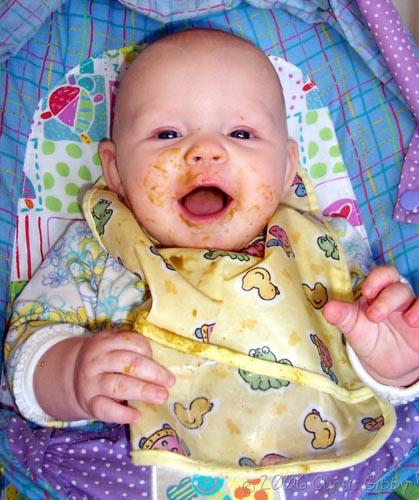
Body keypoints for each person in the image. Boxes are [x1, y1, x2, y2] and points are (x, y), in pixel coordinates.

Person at [4, 29, 418, 476]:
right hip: (140, 474)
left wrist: (391, 365)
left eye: (241, 132)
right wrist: (70, 374)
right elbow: (24, 354)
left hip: (314, 472)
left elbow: (372, 386)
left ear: (285, 170)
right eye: (167, 133)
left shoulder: (324, 249)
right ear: (117, 171)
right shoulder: (97, 250)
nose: (204, 151)